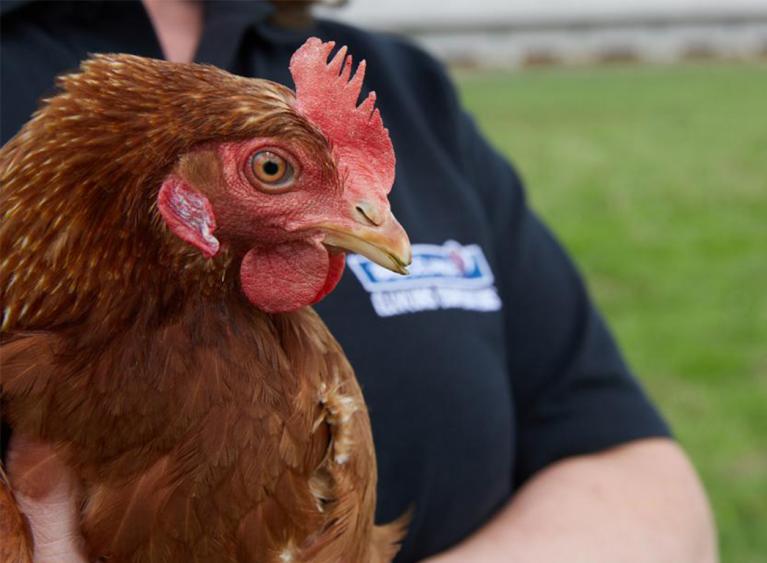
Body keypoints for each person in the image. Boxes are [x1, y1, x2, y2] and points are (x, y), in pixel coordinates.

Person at [0, 1, 717, 561]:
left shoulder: (408, 82)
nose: (380, 219)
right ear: (174, 195)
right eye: (272, 170)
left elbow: (633, 472)